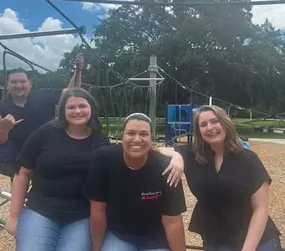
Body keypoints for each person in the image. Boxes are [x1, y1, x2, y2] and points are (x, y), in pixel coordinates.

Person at [5, 87, 110, 251]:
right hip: (42, 209)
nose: (77, 111)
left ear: (91, 109)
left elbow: (118, 166)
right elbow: (22, 174)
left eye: (82, 106)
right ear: (63, 110)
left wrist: (164, 159)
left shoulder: (100, 141)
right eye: (71, 107)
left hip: (80, 215)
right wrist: (14, 216)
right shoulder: (46, 133)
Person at [175, 105, 282, 251]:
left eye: (215, 121)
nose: (210, 127)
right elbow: (157, 150)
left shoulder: (248, 159)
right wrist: (176, 157)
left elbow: (260, 209)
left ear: (225, 123)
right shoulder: (193, 156)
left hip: (255, 239)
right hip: (216, 237)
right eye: (203, 124)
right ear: (199, 131)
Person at [83, 113, 187, 251]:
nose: (137, 139)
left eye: (143, 134)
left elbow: (172, 221)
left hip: (156, 239)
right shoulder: (104, 160)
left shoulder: (167, 167)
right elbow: (98, 212)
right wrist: (96, 249)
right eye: (130, 133)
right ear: (121, 137)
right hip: (120, 235)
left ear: (152, 139)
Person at [0, 53, 84, 178]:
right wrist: (3, 129)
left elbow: (72, 92)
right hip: (13, 160)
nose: (18, 85)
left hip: (45, 153)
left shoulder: (44, 96)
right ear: (7, 87)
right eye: (14, 82)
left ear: (30, 84)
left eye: (22, 81)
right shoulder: (1, 106)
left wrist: (78, 70)